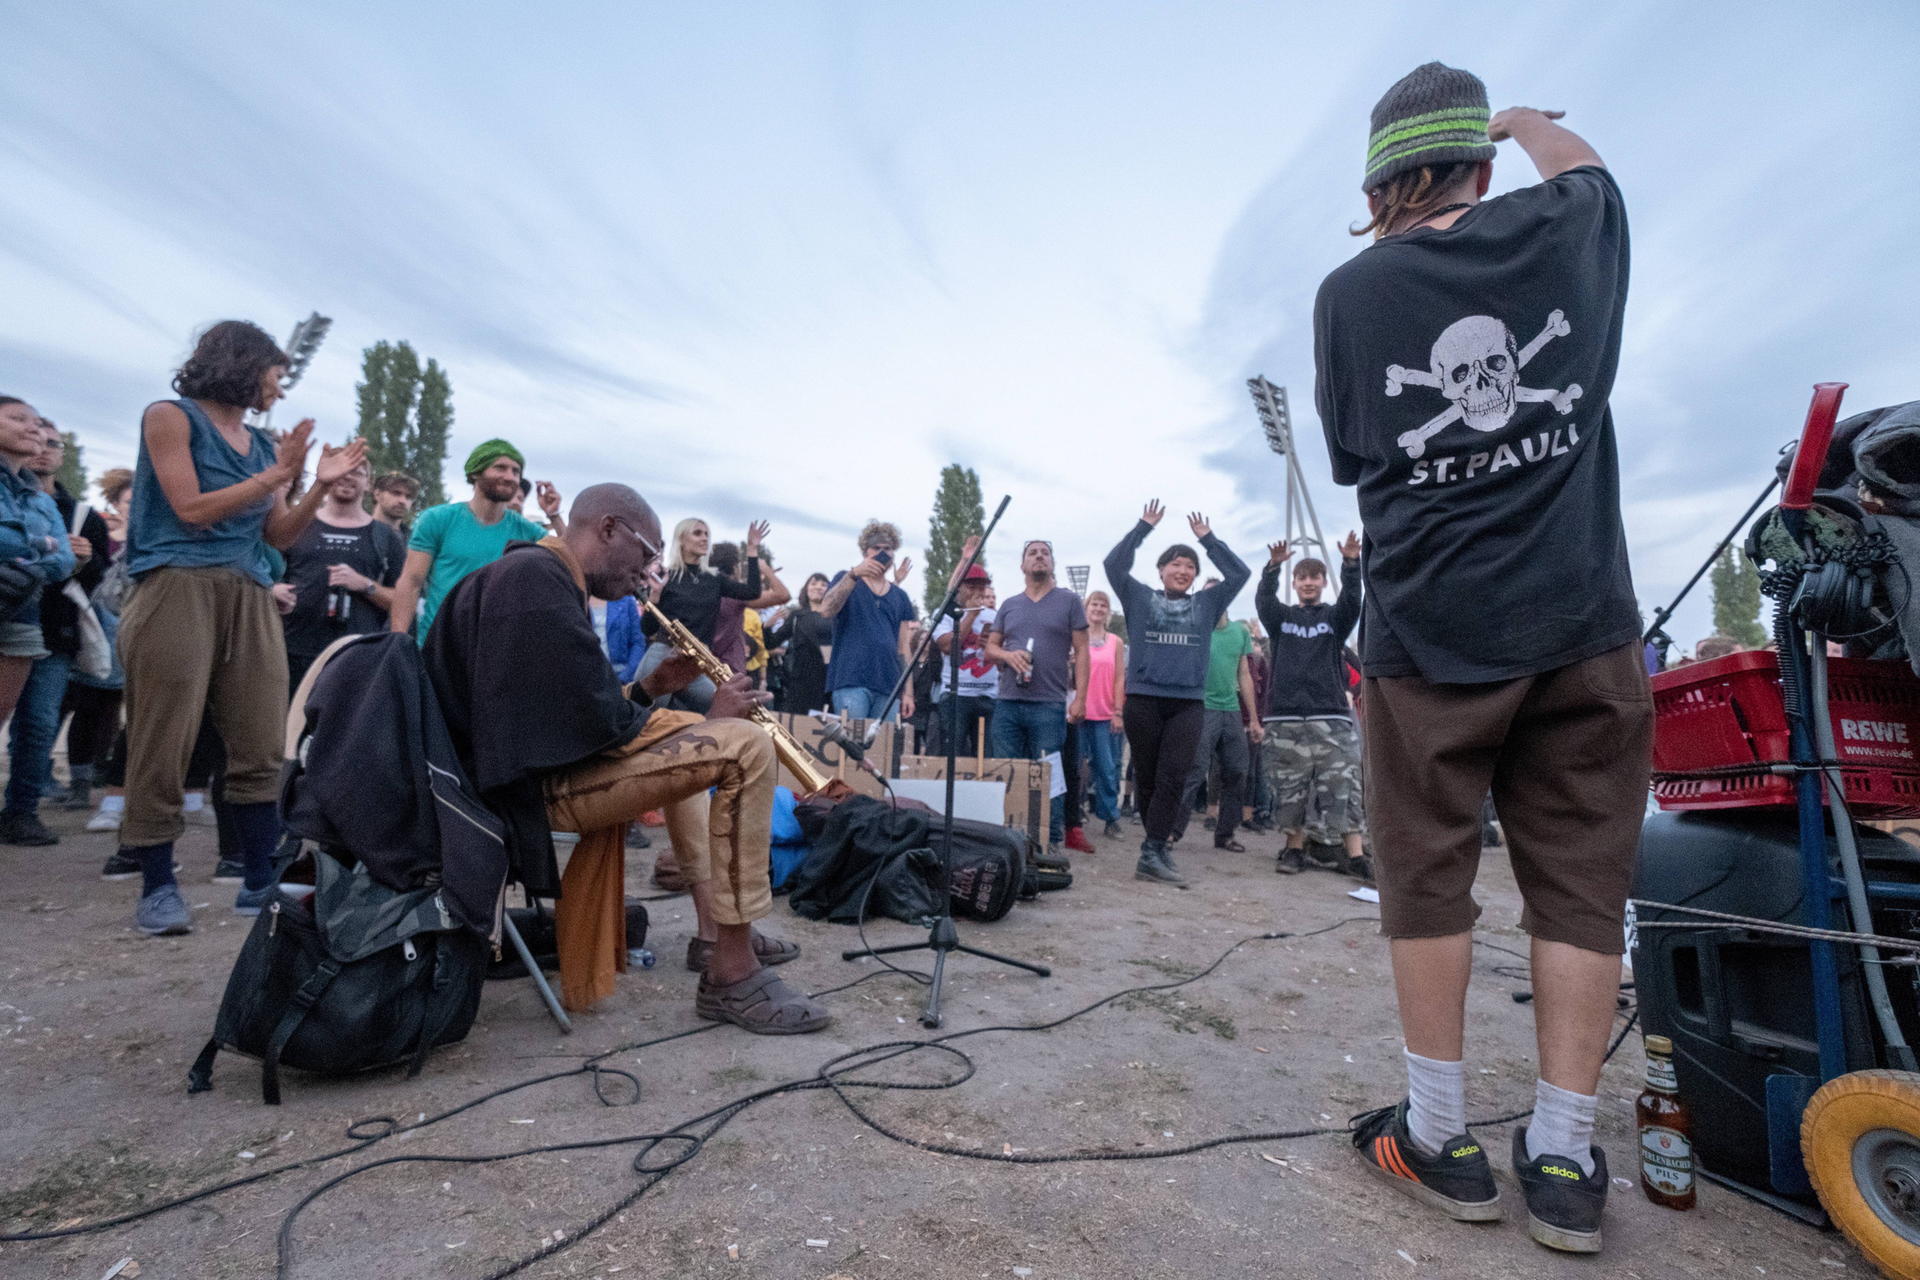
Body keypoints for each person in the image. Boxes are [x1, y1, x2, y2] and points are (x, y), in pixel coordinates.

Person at [1318, 65, 1647, 1252]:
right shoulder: (1569, 229)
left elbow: (1360, 453)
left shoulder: (1353, 293)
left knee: (1427, 872)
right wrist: (1529, 117)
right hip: (1583, 623)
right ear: (1482, 160)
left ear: (1378, 180)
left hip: (1433, 637)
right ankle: (1563, 1157)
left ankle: (1440, 1132)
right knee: (1580, 880)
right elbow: (1592, 170)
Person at [421, 483, 826, 1033]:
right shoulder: (535, 583)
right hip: (517, 797)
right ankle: (733, 973)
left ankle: (714, 935)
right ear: (608, 528)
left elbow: (568, 712)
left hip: (526, 775)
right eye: (647, 553)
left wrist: (652, 687)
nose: (646, 573)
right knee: (741, 744)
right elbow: (591, 729)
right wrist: (710, 724)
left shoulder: (538, 578)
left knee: (692, 735)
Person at [113, 321, 367, 936]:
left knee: (259, 740)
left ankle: (260, 882)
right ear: (243, 364)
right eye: (276, 376)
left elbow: (278, 535)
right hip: (175, 584)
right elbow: (191, 509)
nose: (280, 390)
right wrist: (279, 475)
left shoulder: (258, 445)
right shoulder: (170, 417)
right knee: (163, 739)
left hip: (249, 591)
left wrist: (315, 488)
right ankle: (157, 885)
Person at [1104, 501, 1249, 887]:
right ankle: (1155, 847)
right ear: (1161, 570)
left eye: (1190, 567)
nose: (1183, 570)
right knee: (1149, 778)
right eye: (1175, 564)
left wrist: (1209, 541)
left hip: (1187, 703)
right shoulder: (1138, 597)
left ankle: (1153, 850)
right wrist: (1141, 529)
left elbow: (1240, 572)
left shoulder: (1207, 603)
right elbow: (1113, 566)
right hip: (1144, 700)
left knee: (1175, 775)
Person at [0, 420, 104, 845]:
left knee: (40, 724)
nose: (42, 448)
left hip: (51, 630)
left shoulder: (82, 516)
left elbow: (97, 582)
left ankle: (21, 811)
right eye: (35, 439)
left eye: (52, 443)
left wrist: (81, 562)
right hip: (16, 620)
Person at [1256, 534, 1369, 879]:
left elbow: (1353, 600)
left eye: (1314, 577)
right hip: (1285, 719)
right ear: (1295, 583)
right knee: (1290, 790)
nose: (1308, 583)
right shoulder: (1281, 619)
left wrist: (1351, 564)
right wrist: (1273, 568)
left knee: (1345, 786)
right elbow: (1263, 601)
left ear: (1322, 582)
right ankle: (1293, 849)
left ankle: (1355, 855)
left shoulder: (1334, 620)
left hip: (1331, 719)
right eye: (1302, 577)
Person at [388, 440, 559, 641]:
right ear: (476, 472)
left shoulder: (526, 530)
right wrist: (397, 641)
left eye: (515, 471)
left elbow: (570, 559)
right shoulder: (437, 519)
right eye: (500, 468)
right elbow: (411, 582)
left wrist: (554, 515)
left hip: (497, 648)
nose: (510, 477)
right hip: (439, 645)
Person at [983, 539, 1088, 853]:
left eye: (1045, 553)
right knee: (1007, 771)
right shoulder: (1010, 604)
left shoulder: (1069, 600)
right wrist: (1007, 656)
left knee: (1049, 774)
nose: (1039, 556)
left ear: (1052, 563)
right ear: (1022, 565)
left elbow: (1083, 651)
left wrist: (1080, 698)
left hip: (1049, 702)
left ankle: (1050, 842)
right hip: (1008, 702)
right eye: (1032, 552)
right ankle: (1009, 841)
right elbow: (990, 649)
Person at [279, 458, 405, 688]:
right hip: (289, 650)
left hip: (356, 656)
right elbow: (261, 576)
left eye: (357, 472)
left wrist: (366, 585)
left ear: (369, 485)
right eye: (341, 470)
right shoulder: (295, 525)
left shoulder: (386, 537)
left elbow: (405, 601)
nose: (347, 476)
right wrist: (273, 590)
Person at [636, 518, 768, 710]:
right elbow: (647, 629)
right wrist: (654, 596)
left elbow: (752, 592)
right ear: (681, 539)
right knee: (649, 720)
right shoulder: (667, 576)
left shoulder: (714, 578)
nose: (705, 538)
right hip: (664, 655)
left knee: (728, 709)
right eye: (697, 533)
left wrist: (752, 550)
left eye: (707, 534)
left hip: (696, 662)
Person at [1170, 609, 1262, 853]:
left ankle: (1225, 835)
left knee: (1238, 771)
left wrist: (1253, 718)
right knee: (1195, 770)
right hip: (1201, 708)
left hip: (1230, 709)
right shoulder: (1195, 631)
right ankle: (1171, 832)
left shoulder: (1239, 632)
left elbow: (1244, 675)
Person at [819, 520, 917, 722]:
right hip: (851, 679)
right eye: (876, 548)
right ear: (866, 552)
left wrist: (908, 692)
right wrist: (854, 574)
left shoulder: (900, 596)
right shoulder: (845, 578)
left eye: (888, 549)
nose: (882, 553)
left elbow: (903, 647)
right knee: (853, 744)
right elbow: (826, 610)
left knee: (882, 748)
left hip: (888, 682)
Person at [930, 563, 998, 755]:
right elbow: (947, 646)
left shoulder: (994, 615)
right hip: (955, 696)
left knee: (987, 757)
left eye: (981, 587)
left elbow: (1002, 657)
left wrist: (991, 646)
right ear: (959, 586)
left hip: (988, 696)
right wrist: (972, 614)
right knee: (953, 754)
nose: (977, 592)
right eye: (971, 586)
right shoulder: (944, 614)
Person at [1079, 589, 1127, 839]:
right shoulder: (1075, 638)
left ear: (1107, 611)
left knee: (1107, 768)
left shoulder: (1115, 642)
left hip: (1105, 713)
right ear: (1085, 608)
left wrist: (1118, 711)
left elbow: (1120, 677)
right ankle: (1073, 814)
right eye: (1093, 604)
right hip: (1078, 712)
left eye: (1102, 605)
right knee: (1075, 767)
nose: (1098, 609)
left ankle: (1109, 817)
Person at [767, 572, 831, 714]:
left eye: (823, 584)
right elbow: (771, 643)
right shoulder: (797, 616)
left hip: (826, 680)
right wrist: (767, 627)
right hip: (799, 681)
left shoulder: (835, 617)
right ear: (806, 589)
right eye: (813, 583)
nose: (818, 587)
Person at [370, 471, 419, 538]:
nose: (403, 501)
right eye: (396, 493)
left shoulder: (415, 541)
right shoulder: (357, 530)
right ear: (377, 494)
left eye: (408, 497)